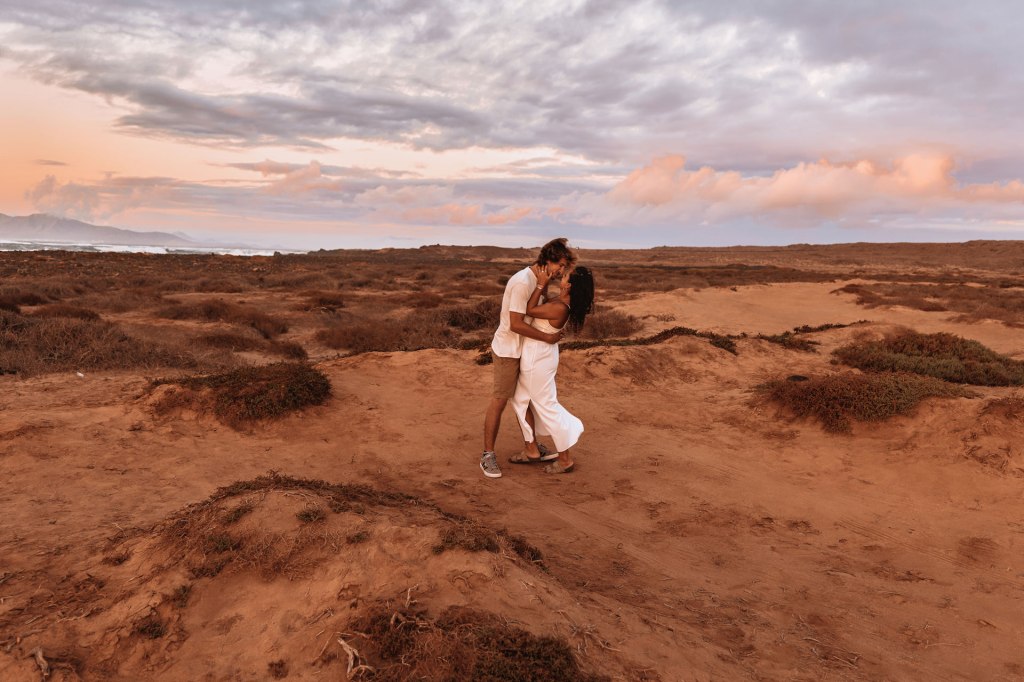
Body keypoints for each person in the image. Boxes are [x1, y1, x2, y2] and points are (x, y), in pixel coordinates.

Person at [481, 238, 575, 479]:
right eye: (560, 265)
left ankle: (531, 448)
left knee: (525, 400)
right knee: (500, 401)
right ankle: (488, 455)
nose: (561, 272)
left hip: (525, 351)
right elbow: (515, 324)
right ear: (548, 260)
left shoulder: (539, 281)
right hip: (508, 350)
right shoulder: (524, 282)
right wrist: (547, 338)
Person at [510, 266, 595, 473]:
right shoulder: (561, 301)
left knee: (546, 406)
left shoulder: (560, 307)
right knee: (521, 399)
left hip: (537, 358)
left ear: (569, 285)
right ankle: (531, 449)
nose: (561, 276)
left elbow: (529, 310)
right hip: (541, 354)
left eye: (565, 276)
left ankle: (565, 459)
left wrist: (540, 284)